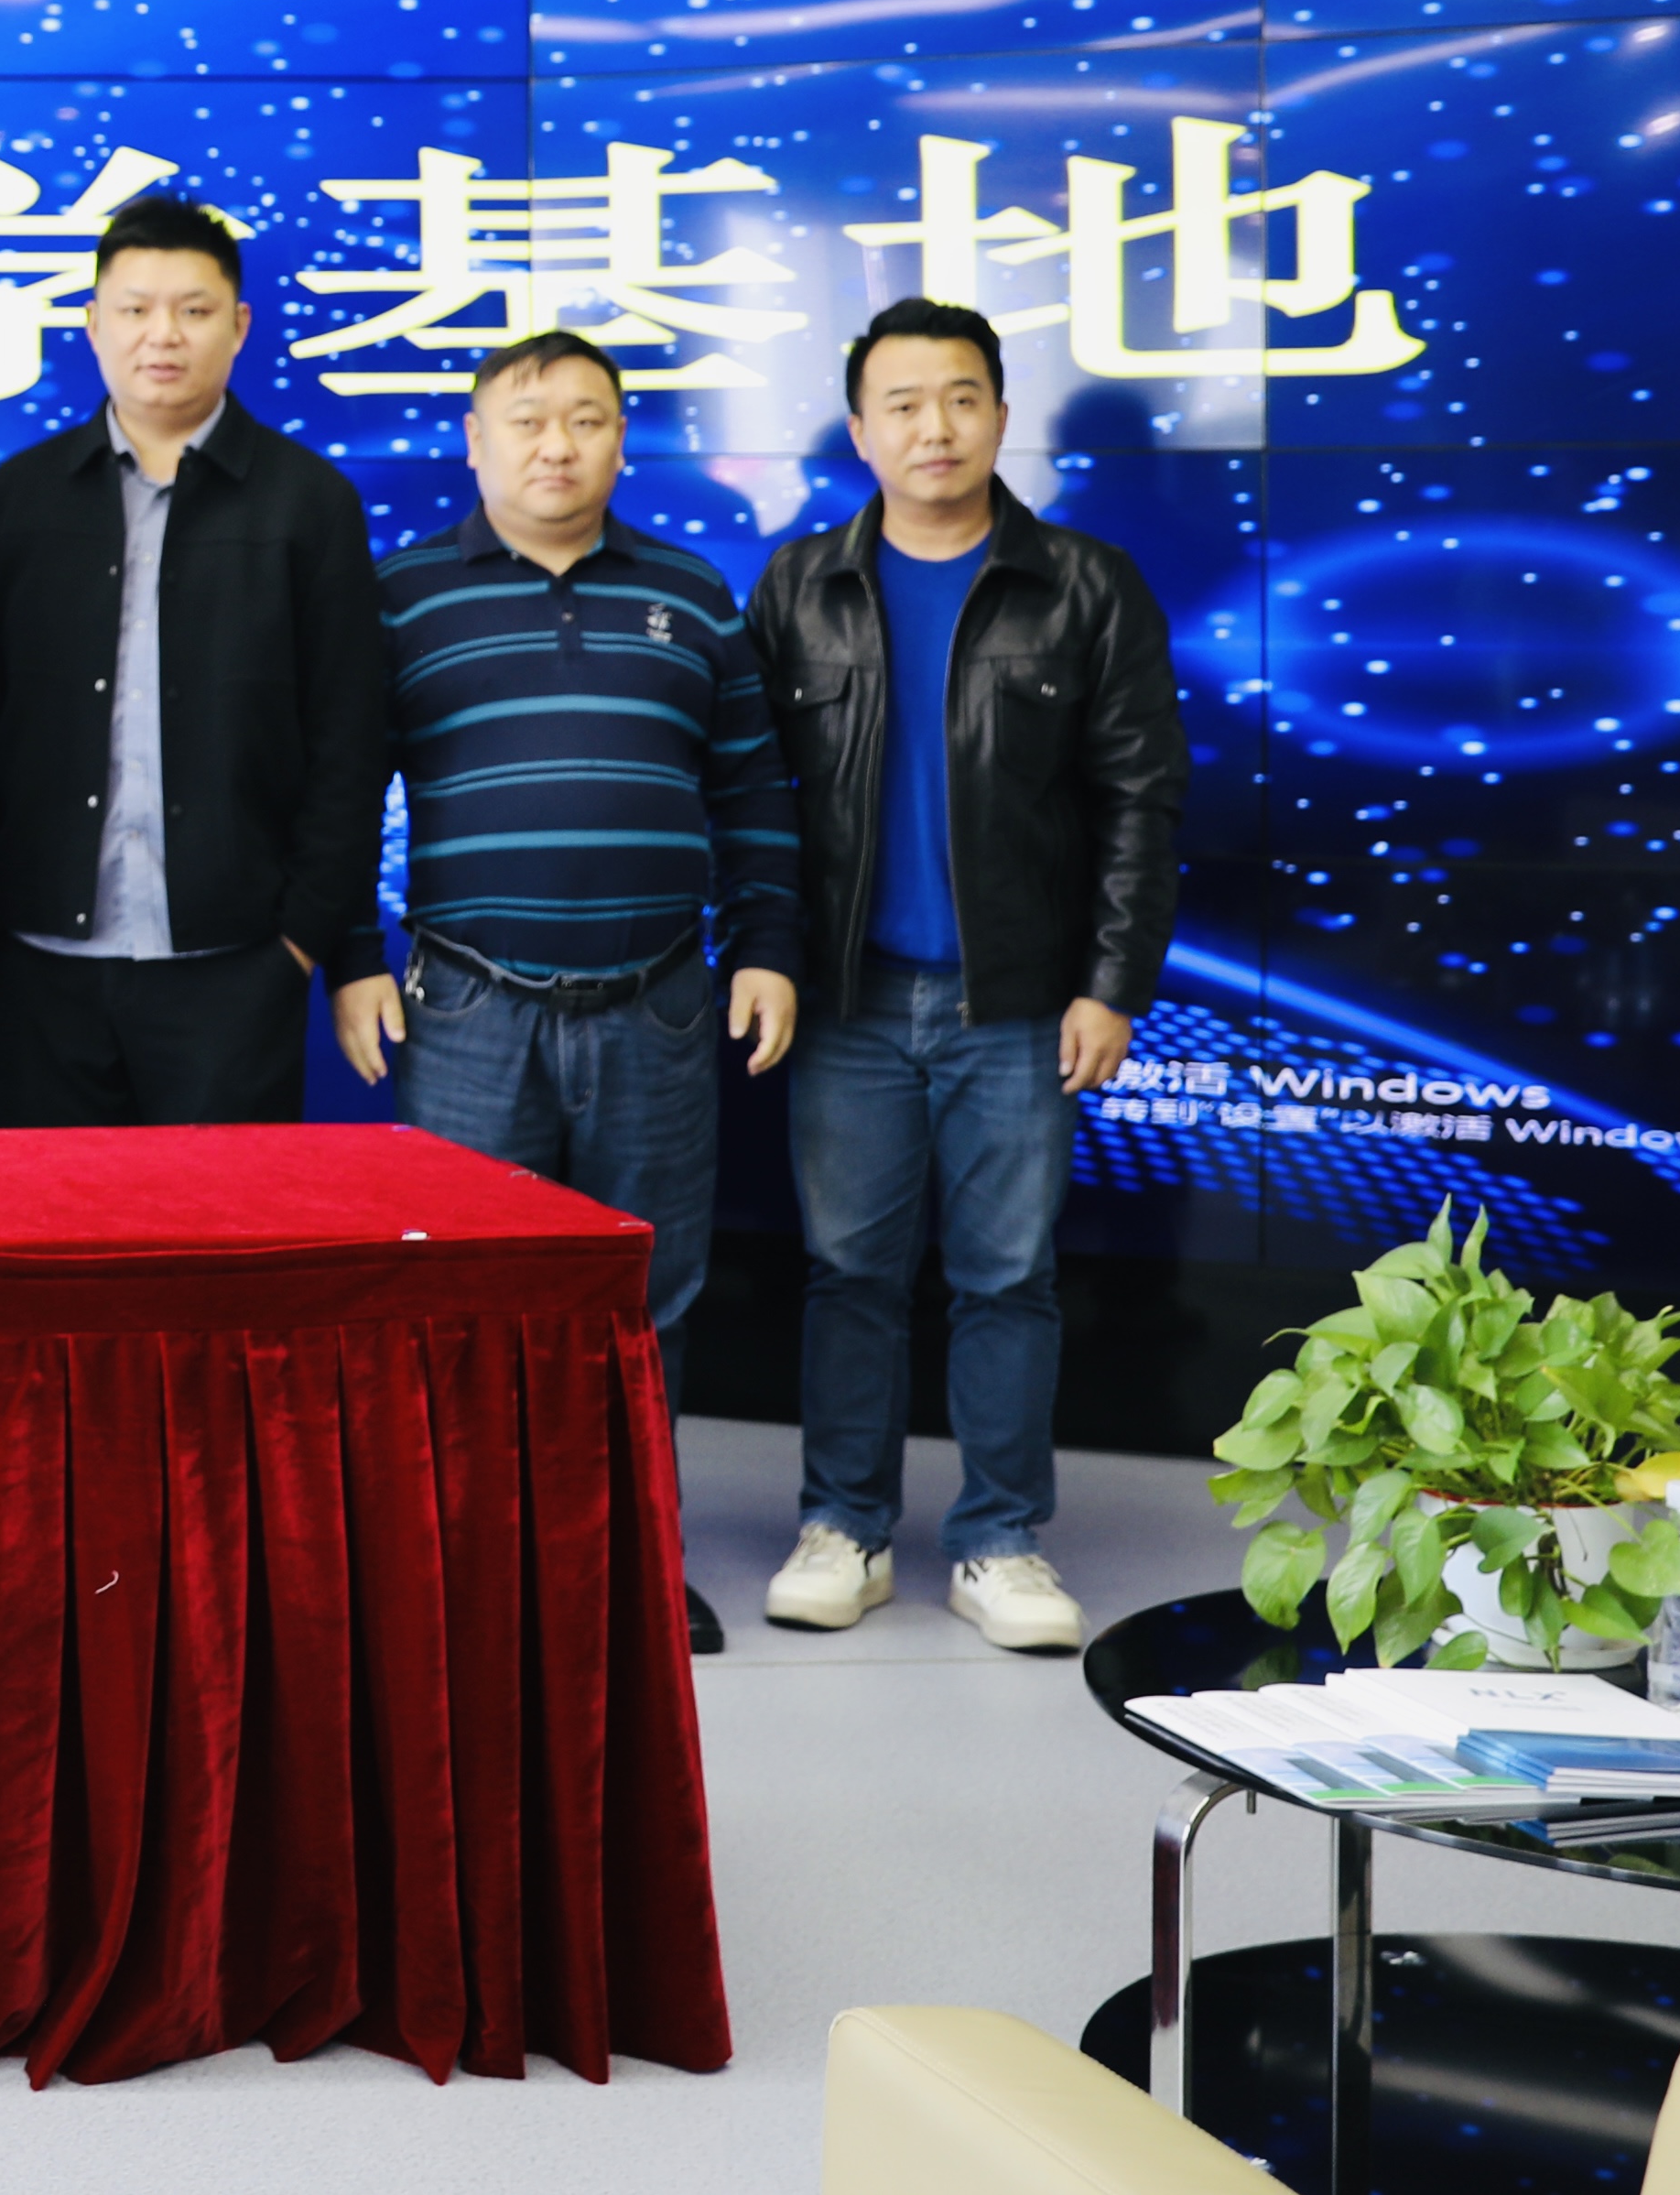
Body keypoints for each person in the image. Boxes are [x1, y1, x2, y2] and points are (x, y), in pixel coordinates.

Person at [332, 330, 802, 1651]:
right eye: (528, 421)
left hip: (658, 1000)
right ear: (475, 441)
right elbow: (341, 793)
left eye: (586, 420)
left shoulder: (691, 592)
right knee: (464, 1300)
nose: (557, 446)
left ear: (621, 439)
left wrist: (769, 945)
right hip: (469, 1007)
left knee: (646, 1298)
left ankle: (629, 1564)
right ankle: (465, 1573)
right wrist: (353, 957)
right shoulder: (402, 595)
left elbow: (753, 791)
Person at [743, 297, 1184, 1657]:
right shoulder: (799, 584)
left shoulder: (1086, 584)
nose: (933, 426)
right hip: (848, 998)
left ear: (998, 413)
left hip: (1019, 1002)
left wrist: (1111, 982)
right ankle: (846, 1527)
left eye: (960, 398)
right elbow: (751, 799)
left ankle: (1000, 1538)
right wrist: (766, 955)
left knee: (1007, 1277)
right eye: (902, 403)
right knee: (848, 1273)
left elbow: (1141, 801)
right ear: (860, 429)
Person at [0, 193, 392, 1128]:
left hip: (237, 960)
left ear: (239, 326)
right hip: (36, 957)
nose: (163, 334)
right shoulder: (22, 496)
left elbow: (352, 737)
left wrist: (301, 937)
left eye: (194, 310)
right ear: (92, 324)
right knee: (52, 1216)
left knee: (222, 1221)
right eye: (135, 308)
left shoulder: (308, 500)